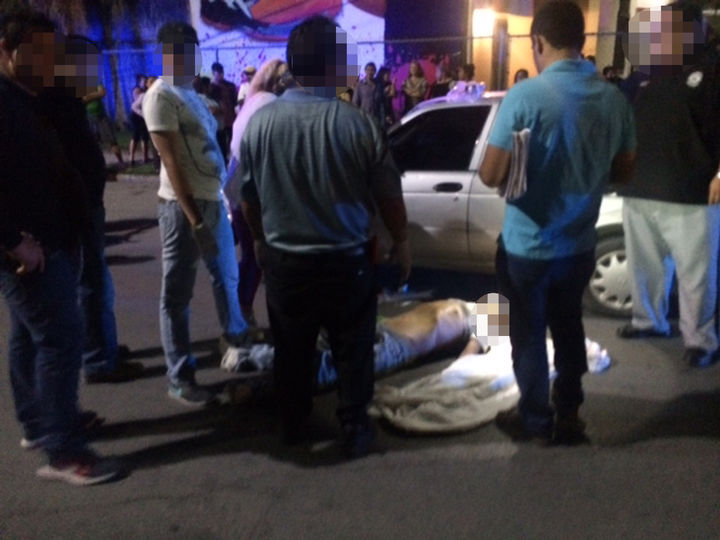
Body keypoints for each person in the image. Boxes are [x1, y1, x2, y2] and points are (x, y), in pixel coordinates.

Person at [239, 16, 411, 458]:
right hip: (347, 262)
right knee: (353, 348)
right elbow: (388, 197)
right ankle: (354, 426)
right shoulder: (358, 125)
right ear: (334, 62)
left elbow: (248, 199)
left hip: (285, 261)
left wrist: (259, 241)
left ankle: (294, 423)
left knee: (291, 347)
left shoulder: (260, 123)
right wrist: (401, 243)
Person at [479, 1, 636, 445]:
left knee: (528, 335)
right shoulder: (613, 98)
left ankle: (534, 418)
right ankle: (568, 413)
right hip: (579, 245)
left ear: (538, 42)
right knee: (569, 327)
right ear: (582, 41)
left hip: (526, 248)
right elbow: (624, 172)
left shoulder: (525, 96)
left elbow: (490, 174)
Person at [0, 9, 122, 485]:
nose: (50, 61)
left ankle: (41, 424)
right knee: (59, 339)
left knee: (29, 335)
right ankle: (64, 451)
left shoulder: (28, 98)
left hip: (51, 238)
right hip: (31, 249)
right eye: (39, 52)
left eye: (54, 52)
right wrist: (14, 242)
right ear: (7, 50)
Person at [143, 22, 251, 406]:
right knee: (177, 294)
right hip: (181, 208)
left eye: (193, 52)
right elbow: (171, 161)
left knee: (227, 276)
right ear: (166, 56)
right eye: (182, 54)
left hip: (212, 199)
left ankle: (236, 343)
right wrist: (195, 220)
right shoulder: (160, 96)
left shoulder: (188, 93)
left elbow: (215, 126)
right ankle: (180, 376)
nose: (191, 60)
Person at [616, 1, 720, 369]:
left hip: (692, 191)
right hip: (640, 186)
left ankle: (700, 340)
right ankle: (649, 321)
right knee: (644, 267)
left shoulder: (713, 66)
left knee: (696, 275)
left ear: (698, 30)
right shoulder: (650, 70)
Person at [39, 34, 144, 384]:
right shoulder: (57, 103)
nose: (94, 72)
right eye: (89, 64)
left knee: (97, 283)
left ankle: (102, 344)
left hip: (87, 205)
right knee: (91, 284)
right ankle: (98, 359)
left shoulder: (66, 100)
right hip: (78, 211)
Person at [226, 59, 291, 328]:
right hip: (253, 189)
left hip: (237, 185)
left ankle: (241, 314)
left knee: (251, 257)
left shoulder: (253, 101)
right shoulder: (270, 104)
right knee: (265, 258)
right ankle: (246, 316)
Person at [209, 61, 238, 161]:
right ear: (213, 73)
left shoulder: (230, 86)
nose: (221, 75)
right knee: (221, 144)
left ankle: (231, 159)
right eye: (218, 73)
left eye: (222, 72)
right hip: (218, 121)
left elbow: (235, 101)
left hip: (230, 119)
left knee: (232, 141)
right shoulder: (210, 88)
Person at [128, 73, 150, 166]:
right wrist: (143, 114)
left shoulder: (146, 91)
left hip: (143, 115)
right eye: (143, 81)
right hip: (136, 115)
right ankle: (131, 158)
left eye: (145, 81)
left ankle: (145, 158)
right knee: (135, 136)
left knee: (144, 136)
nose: (144, 82)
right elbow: (136, 105)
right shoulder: (137, 90)